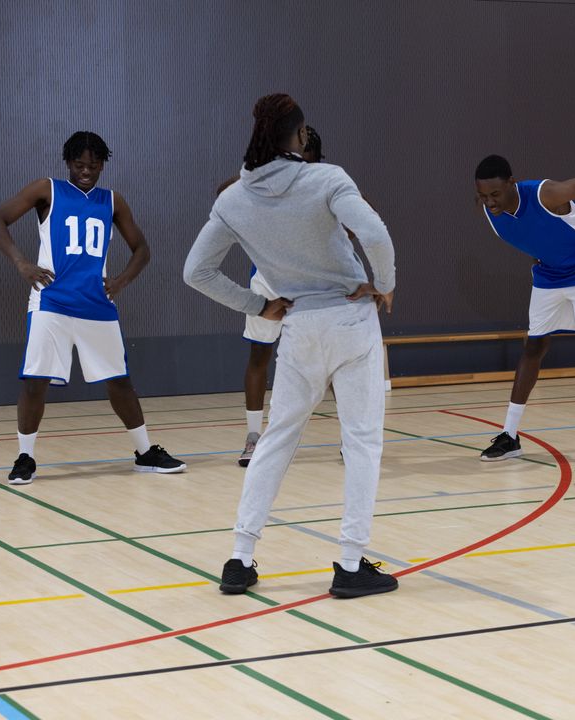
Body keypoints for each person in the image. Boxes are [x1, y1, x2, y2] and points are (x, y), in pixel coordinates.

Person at [185, 94, 399, 597]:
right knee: (362, 440)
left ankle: (239, 558)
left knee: (277, 439)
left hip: (298, 326)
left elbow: (196, 272)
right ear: (301, 137)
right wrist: (384, 283)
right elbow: (375, 233)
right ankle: (349, 565)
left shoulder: (233, 199)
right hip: (349, 321)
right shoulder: (327, 178)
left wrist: (258, 307)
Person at [0, 131, 186, 484]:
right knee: (35, 380)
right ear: (68, 163)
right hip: (52, 301)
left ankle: (144, 452)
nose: (87, 171)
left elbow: (142, 249)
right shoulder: (46, 189)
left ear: (103, 164)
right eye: (80, 164)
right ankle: (25, 457)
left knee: (119, 381)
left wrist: (121, 280)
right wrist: (21, 262)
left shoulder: (113, 201)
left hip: (96, 305)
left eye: (94, 165)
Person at [474, 155, 575, 466]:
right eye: (483, 196)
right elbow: (532, 236)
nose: (490, 202)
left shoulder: (547, 194)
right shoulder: (492, 212)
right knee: (533, 347)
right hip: (548, 275)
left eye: (495, 194)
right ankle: (510, 436)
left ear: (512, 184)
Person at [217, 126, 326, 467]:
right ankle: (253, 437)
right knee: (259, 356)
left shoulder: (325, 182)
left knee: (332, 360)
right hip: (267, 281)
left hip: (313, 282)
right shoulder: (266, 178)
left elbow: (363, 212)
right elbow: (221, 193)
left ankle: (352, 439)